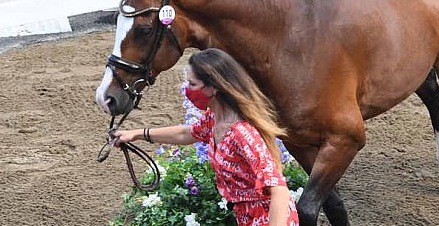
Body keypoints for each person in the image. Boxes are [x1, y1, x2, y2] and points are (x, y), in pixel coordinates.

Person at [112, 48, 299, 226]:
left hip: (270, 218)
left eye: (193, 84)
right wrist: (136, 134)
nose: (188, 90)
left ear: (214, 87)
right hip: (247, 215)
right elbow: (186, 133)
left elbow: (279, 191)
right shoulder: (215, 119)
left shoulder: (243, 134)